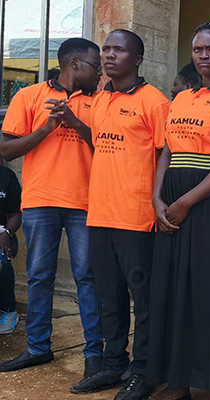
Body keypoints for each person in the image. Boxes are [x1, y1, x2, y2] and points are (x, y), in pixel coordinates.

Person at [146, 20, 210, 400]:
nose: (203, 55)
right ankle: (179, 382)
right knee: (173, 290)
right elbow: (168, 152)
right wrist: (158, 199)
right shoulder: (181, 99)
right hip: (171, 201)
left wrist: (185, 203)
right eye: (197, 50)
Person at [68, 29, 171, 400]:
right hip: (100, 214)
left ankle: (143, 372)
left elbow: (166, 154)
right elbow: (100, 143)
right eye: (106, 49)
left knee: (142, 299)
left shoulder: (155, 102)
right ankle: (114, 364)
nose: (109, 56)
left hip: (137, 217)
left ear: (138, 59)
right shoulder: (100, 99)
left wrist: (158, 202)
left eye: (119, 50)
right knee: (108, 296)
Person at [0, 38, 104, 378]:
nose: (100, 70)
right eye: (95, 64)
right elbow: (6, 151)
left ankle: (94, 355)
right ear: (74, 64)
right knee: (40, 276)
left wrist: (75, 123)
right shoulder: (28, 97)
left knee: (87, 278)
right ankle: (38, 348)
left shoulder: (100, 101)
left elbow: (108, 149)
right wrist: (47, 128)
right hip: (40, 200)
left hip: (86, 202)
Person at [0, 165, 22, 335]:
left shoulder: (7, 177)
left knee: (3, 261)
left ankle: (8, 310)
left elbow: (15, 214)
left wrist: (7, 232)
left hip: (2, 235)